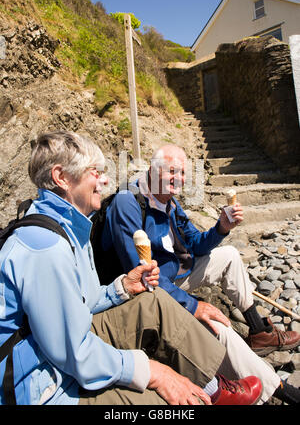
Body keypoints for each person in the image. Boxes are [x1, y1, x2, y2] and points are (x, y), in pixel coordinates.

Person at [0, 130, 267, 406]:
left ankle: (216, 386)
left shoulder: (73, 229)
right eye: (95, 172)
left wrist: (122, 288)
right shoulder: (46, 247)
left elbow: (86, 302)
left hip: (67, 346)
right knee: (163, 400)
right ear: (61, 177)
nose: (105, 180)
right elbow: (73, 353)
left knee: (155, 302)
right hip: (41, 385)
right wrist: (151, 371)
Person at [101, 143, 300, 404]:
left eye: (183, 173)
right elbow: (138, 272)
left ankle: (257, 331)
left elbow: (195, 242)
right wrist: (194, 306)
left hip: (173, 276)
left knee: (228, 255)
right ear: (152, 170)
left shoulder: (168, 202)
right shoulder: (128, 203)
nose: (179, 179)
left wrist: (221, 228)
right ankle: (276, 390)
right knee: (219, 326)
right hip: (145, 291)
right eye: (171, 171)